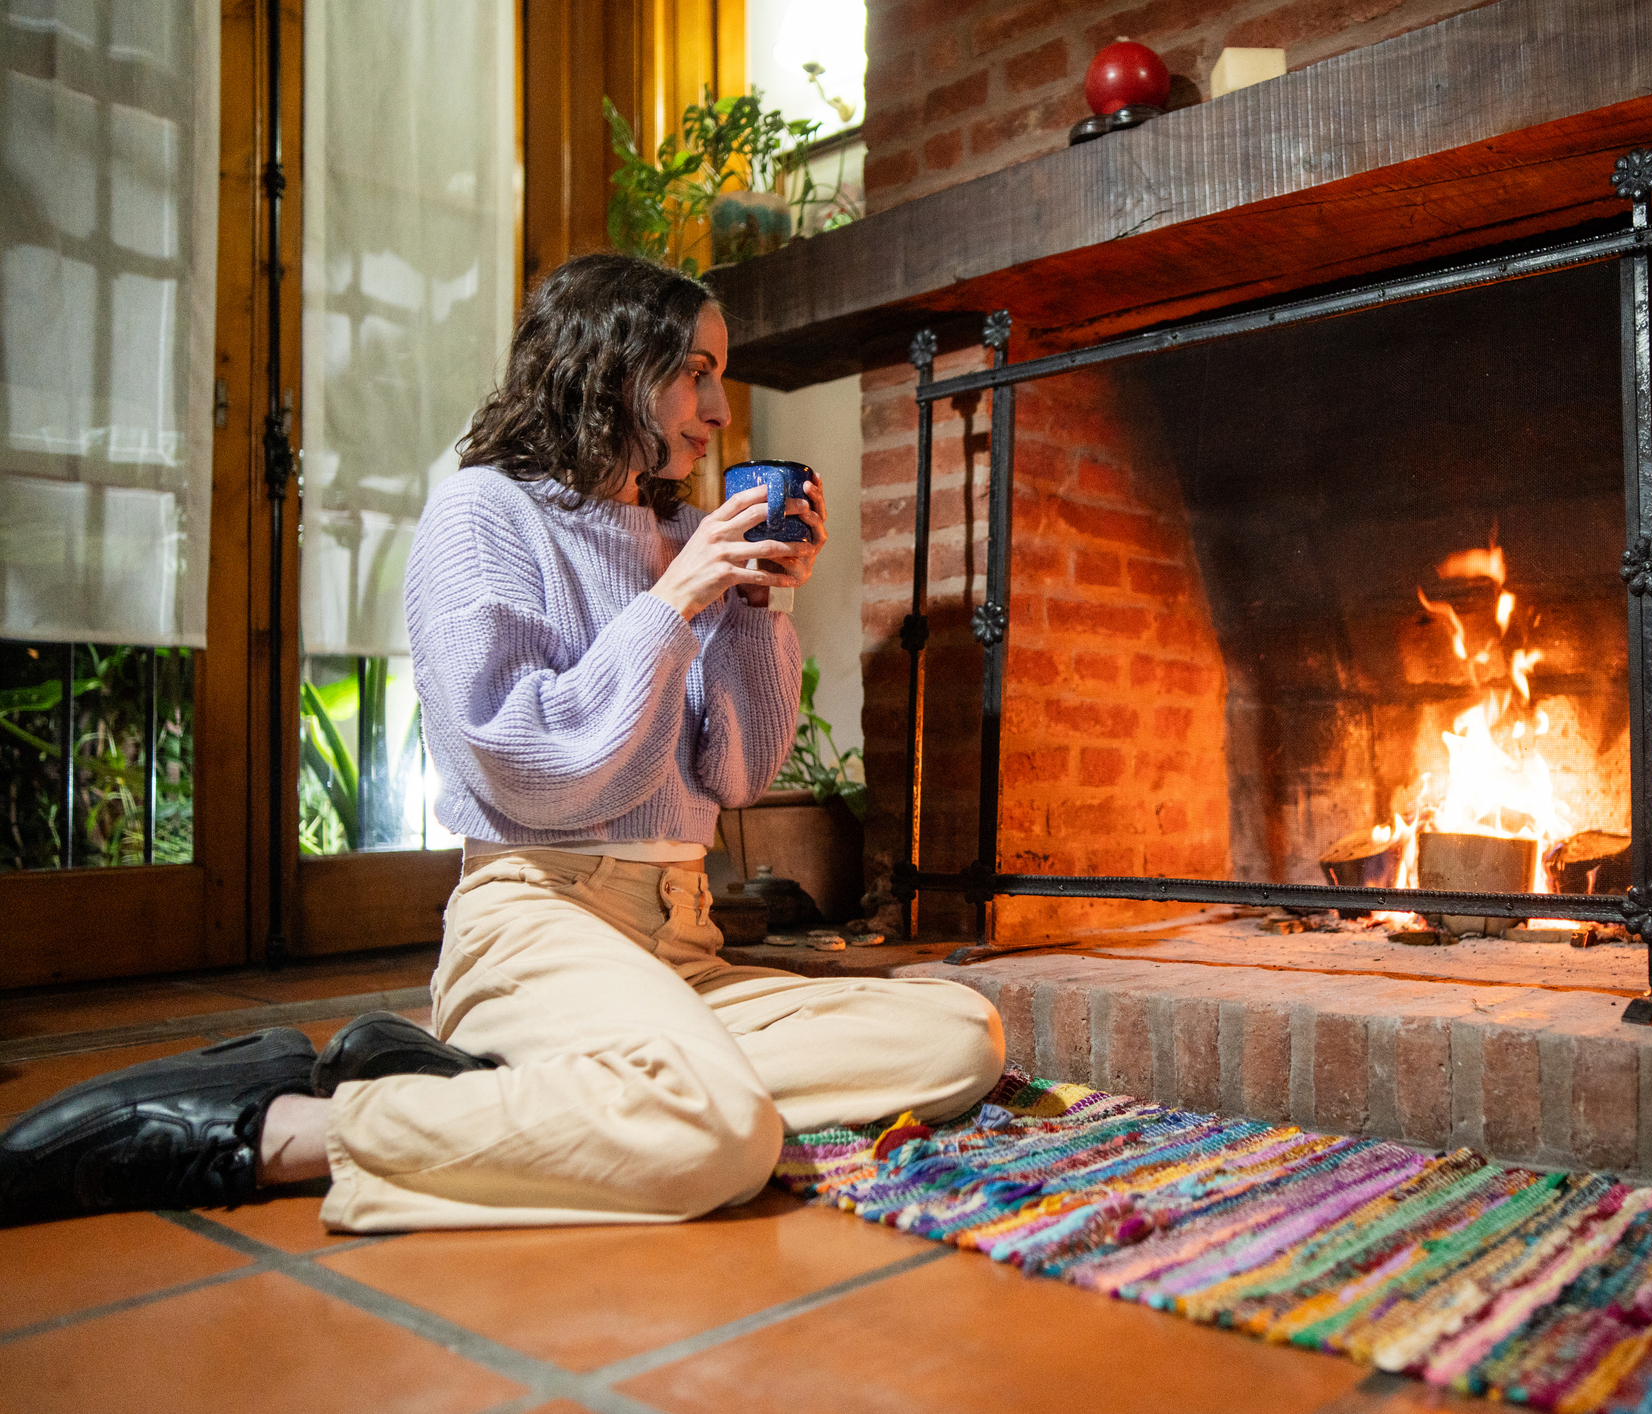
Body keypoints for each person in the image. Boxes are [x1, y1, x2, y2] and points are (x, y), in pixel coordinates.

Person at [0, 252, 1005, 1230]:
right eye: (695, 372)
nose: (718, 410)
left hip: (682, 942)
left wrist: (753, 603)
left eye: (720, 376)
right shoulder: (483, 513)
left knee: (962, 1035)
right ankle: (285, 1128)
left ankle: (570, 1082)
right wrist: (675, 599)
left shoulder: (673, 542)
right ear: (612, 366)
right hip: (535, 920)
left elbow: (735, 774)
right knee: (718, 1135)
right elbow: (520, 761)